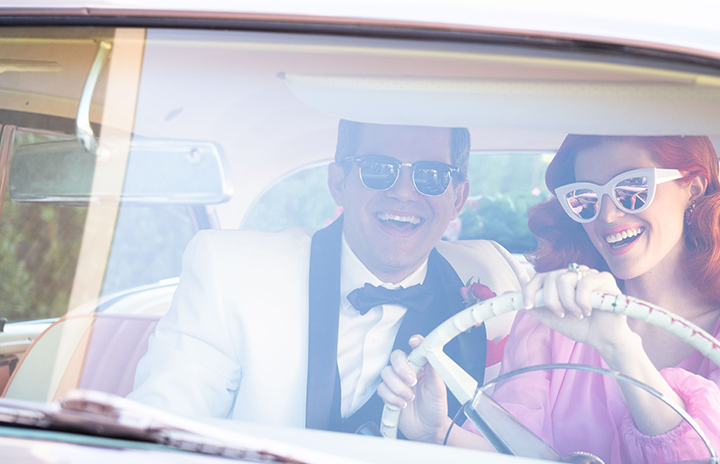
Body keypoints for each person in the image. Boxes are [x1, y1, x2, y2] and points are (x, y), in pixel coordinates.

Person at [380, 134, 720, 464]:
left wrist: (620, 347)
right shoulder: (549, 321)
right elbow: (515, 463)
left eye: (632, 189)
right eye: (585, 199)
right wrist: (436, 435)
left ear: (693, 186)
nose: (608, 215)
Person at [128, 120, 527, 431]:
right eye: (377, 169)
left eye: (432, 175)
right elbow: (160, 429)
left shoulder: (492, 289)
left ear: (457, 197)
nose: (404, 192)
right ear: (338, 182)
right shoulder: (228, 271)